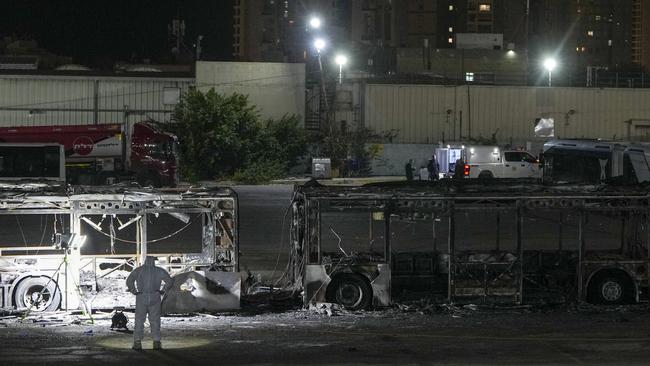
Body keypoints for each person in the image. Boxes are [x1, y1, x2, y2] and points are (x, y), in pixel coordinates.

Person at [126, 256, 173, 351]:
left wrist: (134, 291)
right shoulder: (159, 270)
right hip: (155, 296)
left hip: (141, 296)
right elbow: (169, 281)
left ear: (145, 261)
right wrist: (163, 290)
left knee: (139, 320)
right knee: (155, 320)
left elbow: (129, 280)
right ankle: (156, 342)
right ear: (154, 262)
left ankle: (137, 342)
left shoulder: (139, 270)